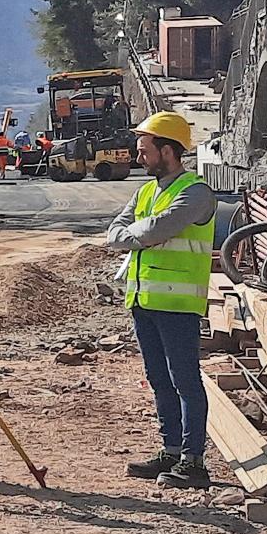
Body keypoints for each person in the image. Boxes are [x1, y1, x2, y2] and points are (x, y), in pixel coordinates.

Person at [104, 111, 218, 489]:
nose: (139, 157)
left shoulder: (196, 192)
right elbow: (115, 232)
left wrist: (137, 234)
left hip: (177, 305)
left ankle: (193, 461)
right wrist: (139, 234)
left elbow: (158, 230)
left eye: (145, 150)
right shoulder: (147, 191)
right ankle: (171, 450)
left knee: (184, 379)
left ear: (167, 151)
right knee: (158, 379)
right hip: (144, 300)